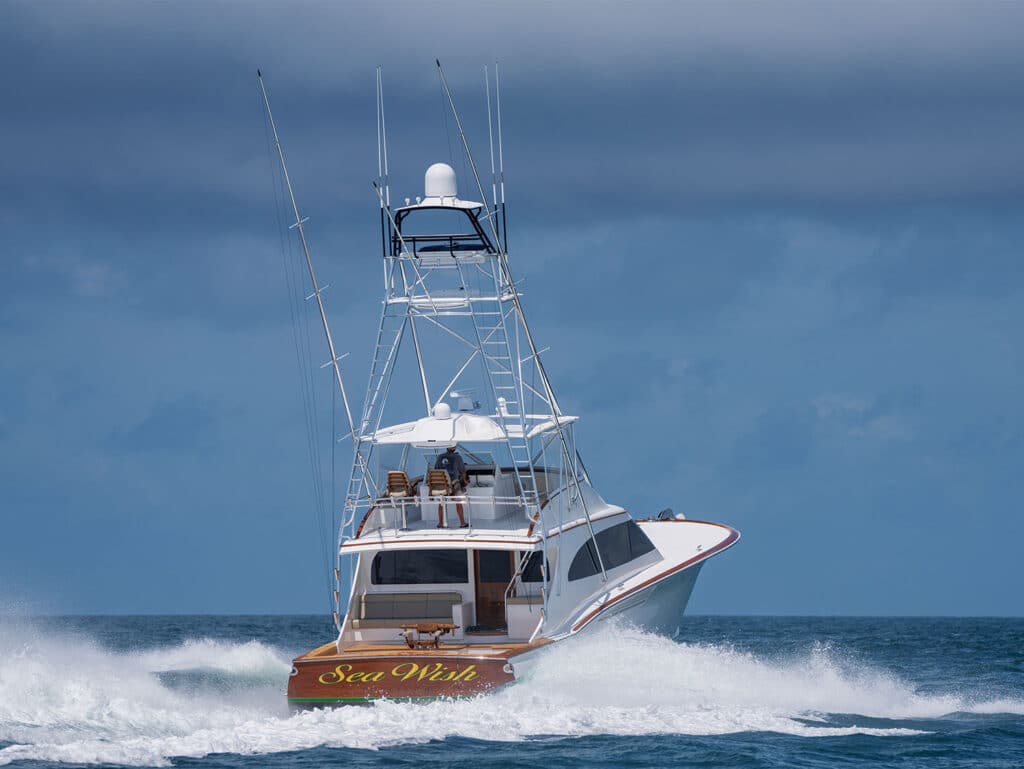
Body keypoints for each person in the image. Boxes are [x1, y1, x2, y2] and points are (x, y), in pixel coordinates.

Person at [435, 445, 469, 528]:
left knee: (441, 503)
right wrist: (465, 481)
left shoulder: (439, 457)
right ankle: (462, 523)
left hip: (442, 484)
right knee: (459, 502)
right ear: (454, 449)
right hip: (454, 484)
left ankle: (440, 523)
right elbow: (463, 472)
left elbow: (436, 469)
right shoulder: (457, 457)